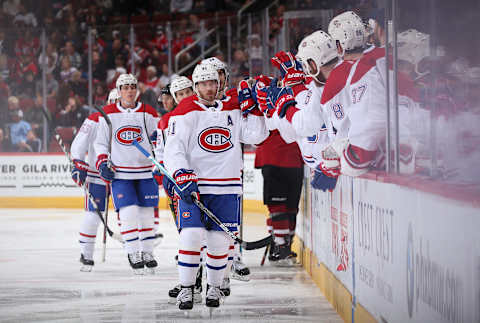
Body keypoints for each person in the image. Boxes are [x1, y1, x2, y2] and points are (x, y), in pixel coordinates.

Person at [163, 62, 268, 310]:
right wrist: (181, 174)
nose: (209, 88)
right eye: (203, 84)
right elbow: (173, 148)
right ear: (195, 86)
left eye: (213, 83)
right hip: (195, 186)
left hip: (227, 188)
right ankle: (187, 289)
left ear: (219, 83)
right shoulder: (185, 110)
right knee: (191, 236)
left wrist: (254, 109)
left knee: (219, 241)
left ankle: (214, 287)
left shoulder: (233, 108)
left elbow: (257, 136)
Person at [94, 73, 160, 275]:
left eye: (133, 87)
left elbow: (159, 137)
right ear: (119, 90)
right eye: (125, 87)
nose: (130, 90)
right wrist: (103, 162)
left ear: (137, 90)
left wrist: (160, 161)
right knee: (129, 213)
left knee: (147, 214)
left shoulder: (147, 112)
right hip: (120, 173)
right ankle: (133, 252)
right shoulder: (108, 113)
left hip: (146, 171)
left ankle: (147, 252)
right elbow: (101, 142)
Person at [200, 57, 252, 285]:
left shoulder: (234, 100)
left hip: (230, 169)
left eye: (220, 73)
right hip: (204, 174)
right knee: (204, 225)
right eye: (213, 74)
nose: (218, 79)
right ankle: (206, 262)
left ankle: (232, 256)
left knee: (230, 219)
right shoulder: (199, 102)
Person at [70, 88, 119, 272]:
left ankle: (139, 253)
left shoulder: (131, 118)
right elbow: (78, 143)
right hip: (96, 175)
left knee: (131, 214)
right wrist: (79, 164)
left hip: (124, 176)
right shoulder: (95, 119)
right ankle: (87, 254)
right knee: (93, 215)